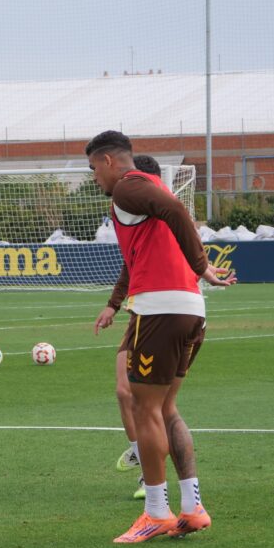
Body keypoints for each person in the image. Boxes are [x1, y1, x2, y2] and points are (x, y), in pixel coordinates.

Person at [86, 131, 235, 543]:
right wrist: (115, 303)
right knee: (167, 408)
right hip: (190, 308)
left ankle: (155, 512)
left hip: (160, 308)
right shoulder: (151, 187)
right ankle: (192, 507)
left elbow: (176, 210)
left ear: (110, 161)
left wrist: (201, 265)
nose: (94, 177)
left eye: (94, 168)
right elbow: (141, 250)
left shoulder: (127, 187)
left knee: (144, 407)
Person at [95, 154, 164, 501]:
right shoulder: (133, 219)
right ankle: (140, 453)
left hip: (165, 314)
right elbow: (130, 263)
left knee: (156, 405)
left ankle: (153, 482)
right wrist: (113, 304)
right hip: (139, 313)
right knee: (124, 392)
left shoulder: (163, 219)